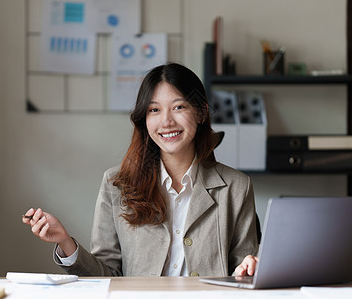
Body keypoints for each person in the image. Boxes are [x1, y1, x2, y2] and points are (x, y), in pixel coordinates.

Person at [22, 62, 259, 277]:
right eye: (154, 110)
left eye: (178, 107)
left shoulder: (236, 187)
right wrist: (65, 241)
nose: (166, 121)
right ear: (143, 119)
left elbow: (244, 269)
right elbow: (106, 276)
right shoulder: (116, 184)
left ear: (201, 112)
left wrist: (248, 269)